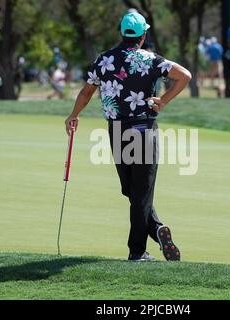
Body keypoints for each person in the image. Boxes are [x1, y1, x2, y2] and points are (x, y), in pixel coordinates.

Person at [65, 12, 191, 262]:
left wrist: (73, 115)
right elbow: (184, 76)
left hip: (118, 131)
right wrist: (163, 101)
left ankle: (144, 242)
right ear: (142, 35)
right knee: (138, 192)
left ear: (122, 33)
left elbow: (87, 92)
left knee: (132, 191)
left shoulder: (104, 60)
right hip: (144, 130)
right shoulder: (150, 59)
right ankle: (141, 247)